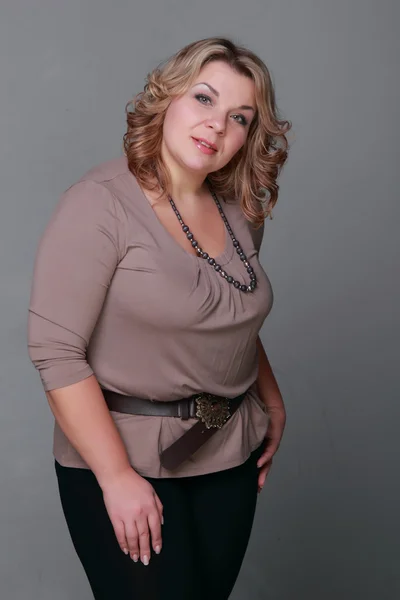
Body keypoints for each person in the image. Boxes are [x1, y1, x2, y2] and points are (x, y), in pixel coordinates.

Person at [27, 36, 290, 600]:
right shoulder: (98, 205)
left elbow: (229, 313)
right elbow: (55, 351)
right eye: (203, 99)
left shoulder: (240, 211)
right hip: (125, 463)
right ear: (166, 97)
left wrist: (271, 399)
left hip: (229, 455)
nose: (217, 126)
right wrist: (117, 478)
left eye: (238, 116)